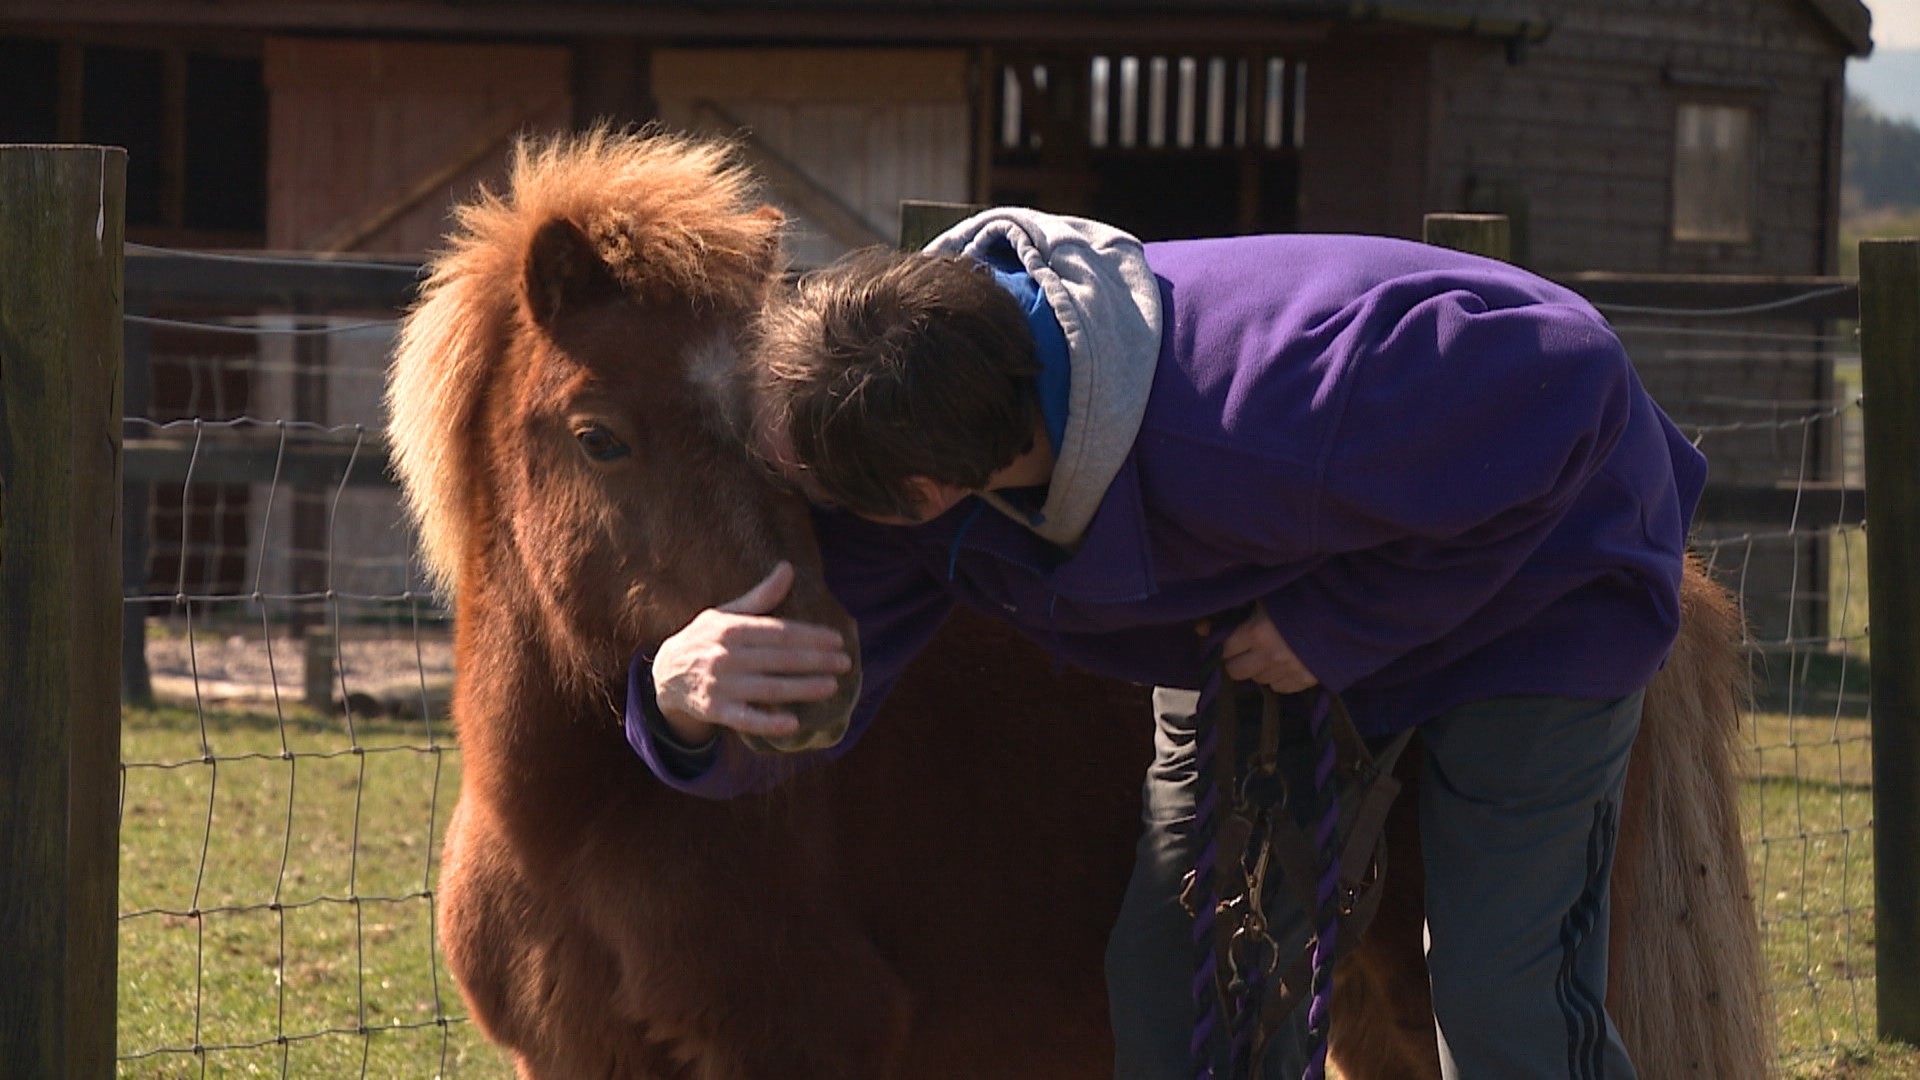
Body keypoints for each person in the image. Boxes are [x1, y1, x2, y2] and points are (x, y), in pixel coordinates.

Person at [624, 209, 1706, 1079]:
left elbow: (1574, 381)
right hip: (1257, 626)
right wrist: (678, 702)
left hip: (1539, 591)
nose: (798, 508)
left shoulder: (1270, 400)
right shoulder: (912, 459)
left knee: (1497, 995)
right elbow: (816, 706)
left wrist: (1340, 625)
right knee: (1187, 986)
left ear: (923, 493)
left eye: (802, 491)